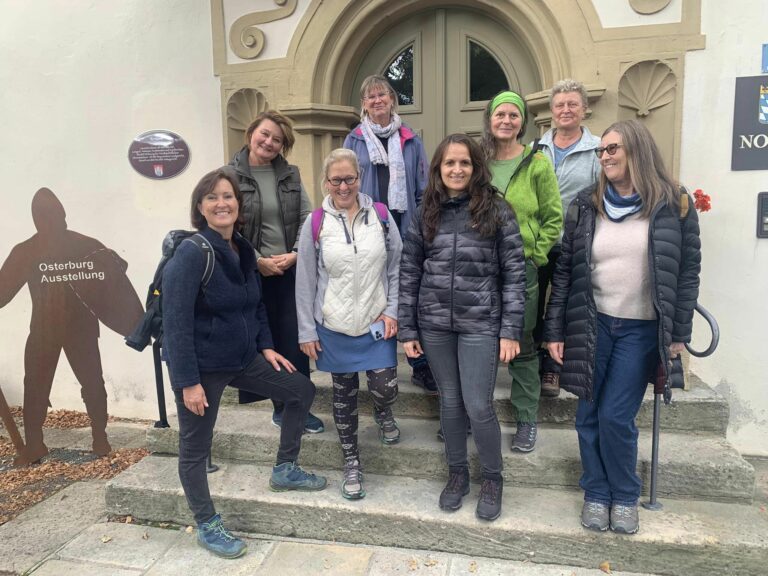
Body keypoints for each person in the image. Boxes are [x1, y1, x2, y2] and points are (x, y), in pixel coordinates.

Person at [544, 119, 701, 535]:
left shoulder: (674, 204)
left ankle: (625, 495)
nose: (606, 156)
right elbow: (566, 271)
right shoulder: (586, 203)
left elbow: (686, 273)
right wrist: (554, 330)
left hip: (640, 329)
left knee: (615, 415)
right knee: (587, 415)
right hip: (591, 323)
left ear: (637, 149)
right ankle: (596, 493)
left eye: (613, 148)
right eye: (602, 151)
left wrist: (678, 333)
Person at [163, 168, 327, 559]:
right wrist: (187, 382)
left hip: (243, 359)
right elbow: (176, 323)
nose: (222, 203)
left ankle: (285, 469)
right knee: (195, 447)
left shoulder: (242, 248)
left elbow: (255, 305)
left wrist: (266, 347)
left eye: (228, 197)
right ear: (200, 208)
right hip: (202, 369)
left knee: (300, 391)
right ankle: (206, 523)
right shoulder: (191, 254)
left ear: (239, 205)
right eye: (212, 198)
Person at [399, 134, 526, 521]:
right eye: (449, 163)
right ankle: (457, 475)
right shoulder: (425, 212)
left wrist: (510, 330)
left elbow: (515, 274)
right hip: (434, 324)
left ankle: (492, 478)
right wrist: (408, 329)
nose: (457, 170)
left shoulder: (497, 210)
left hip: (480, 325)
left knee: (478, 405)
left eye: (464, 163)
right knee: (450, 403)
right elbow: (408, 271)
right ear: (438, 169)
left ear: (476, 168)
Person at [0, 187, 144, 463]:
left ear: (62, 215)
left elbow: (116, 268)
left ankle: (100, 439)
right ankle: (35, 444)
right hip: (44, 329)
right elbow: (2, 293)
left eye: (53, 215)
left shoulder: (85, 245)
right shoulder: (27, 251)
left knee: (91, 382)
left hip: (80, 328)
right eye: (45, 216)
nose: (51, 220)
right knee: (35, 386)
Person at [295, 148, 403, 501]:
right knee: (342, 396)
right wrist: (307, 331)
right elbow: (305, 282)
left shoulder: (382, 217)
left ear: (360, 178)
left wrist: (392, 311)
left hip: (376, 321)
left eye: (350, 178)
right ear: (326, 182)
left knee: (384, 387)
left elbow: (396, 268)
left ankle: (384, 410)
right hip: (334, 325)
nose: (343, 186)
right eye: (336, 180)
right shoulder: (315, 224)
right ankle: (352, 462)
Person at [230, 109, 324, 434]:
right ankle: (278, 406)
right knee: (262, 341)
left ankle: (297, 407)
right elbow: (229, 223)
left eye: (277, 140)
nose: (269, 142)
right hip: (251, 272)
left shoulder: (290, 175)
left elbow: (307, 215)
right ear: (251, 132)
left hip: (288, 270)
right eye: (265, 134)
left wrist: (297, 253)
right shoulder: (229, 176)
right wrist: (257, 259)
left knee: (293, 342)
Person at [343, 75, 437, 395]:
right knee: (372, 295)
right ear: (364, 104)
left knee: (409, 294)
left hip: (406, 224)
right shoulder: (354, 140)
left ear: (392, 99)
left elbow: (424, 190)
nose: (377, 100)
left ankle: (420, 366)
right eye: (370, 97)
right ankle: (378, 367)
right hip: (369, 229)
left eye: (382, 94)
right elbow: (345, 188)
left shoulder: (411, 139)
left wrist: (424, 227)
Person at [481, 90, 563, 452]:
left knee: (524, 345)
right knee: (478, 343)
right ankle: (472, 414)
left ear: (522, 122)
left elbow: (553, 217)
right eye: (501, 114)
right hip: (480, 269)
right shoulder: (477, 162)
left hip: (522, 269)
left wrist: (535, 256)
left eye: (514, 115)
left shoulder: (538, 163)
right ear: (490, 119)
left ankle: (526, 419)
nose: (507, 121)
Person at [535, 79, 601, 398]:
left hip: (576, 243)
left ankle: (554, 367)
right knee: (534, 304)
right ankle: (532, 359)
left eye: (572, 104)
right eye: (560, 104)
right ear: (551, 110)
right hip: (540, 241)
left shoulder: (597, 150)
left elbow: (603, 198)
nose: (565, 110)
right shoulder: (536, 149)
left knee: (562, 307)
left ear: (584, 110)